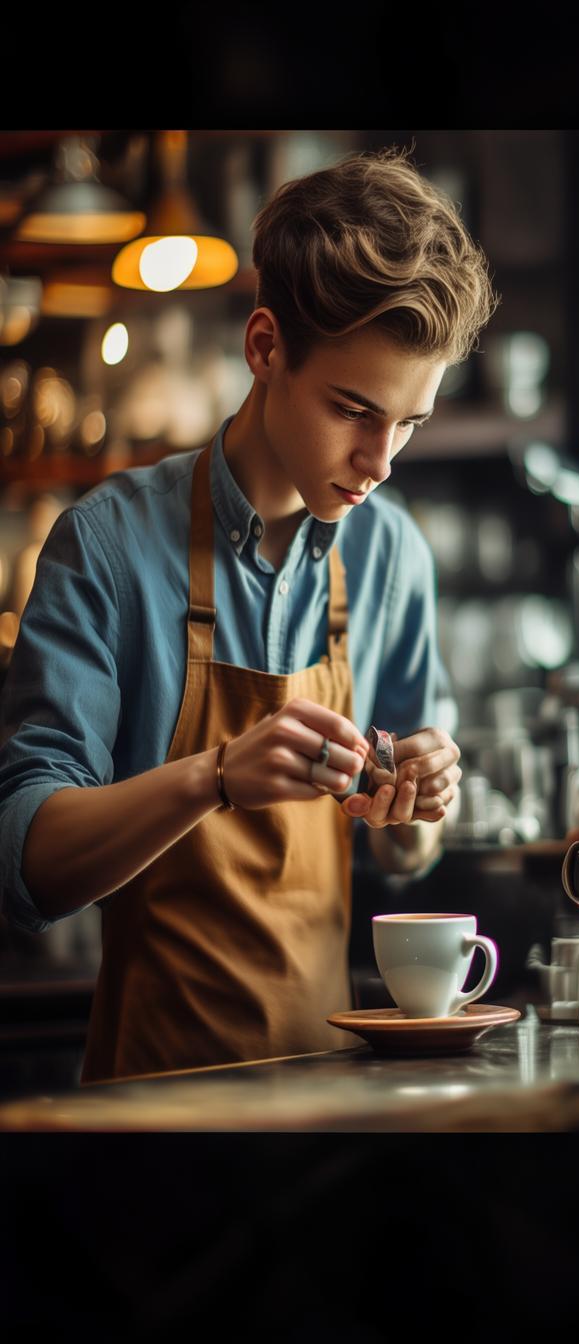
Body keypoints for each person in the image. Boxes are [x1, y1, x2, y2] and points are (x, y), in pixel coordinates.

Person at [0, 145, 499, 1083]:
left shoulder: (391, 557)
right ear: (264, 347)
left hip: (335, 1098)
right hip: (152, 1105)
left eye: (410, 423)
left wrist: (422, 803)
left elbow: (405, 858)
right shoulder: (106, 546)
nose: (381, 460)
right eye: (354, 409)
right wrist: (213, 777)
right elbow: (24, 863)